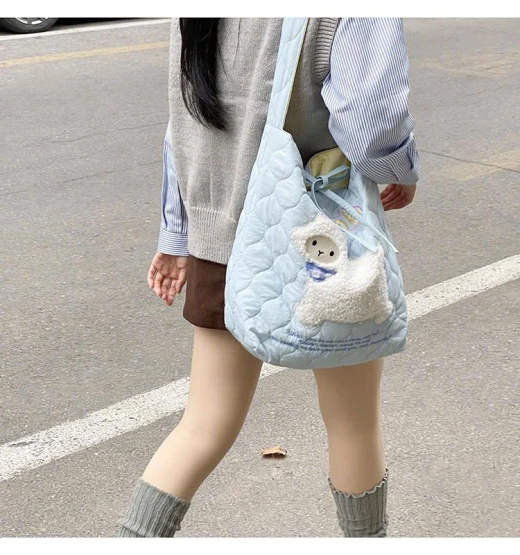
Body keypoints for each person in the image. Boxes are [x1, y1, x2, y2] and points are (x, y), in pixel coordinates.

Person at [119, 17, 419, 538]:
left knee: (203, 426)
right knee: (353, 425)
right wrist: (400, 169)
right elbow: (372, 122)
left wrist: (179, 233)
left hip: (221, 237)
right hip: (320, 240)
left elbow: (184, 117)